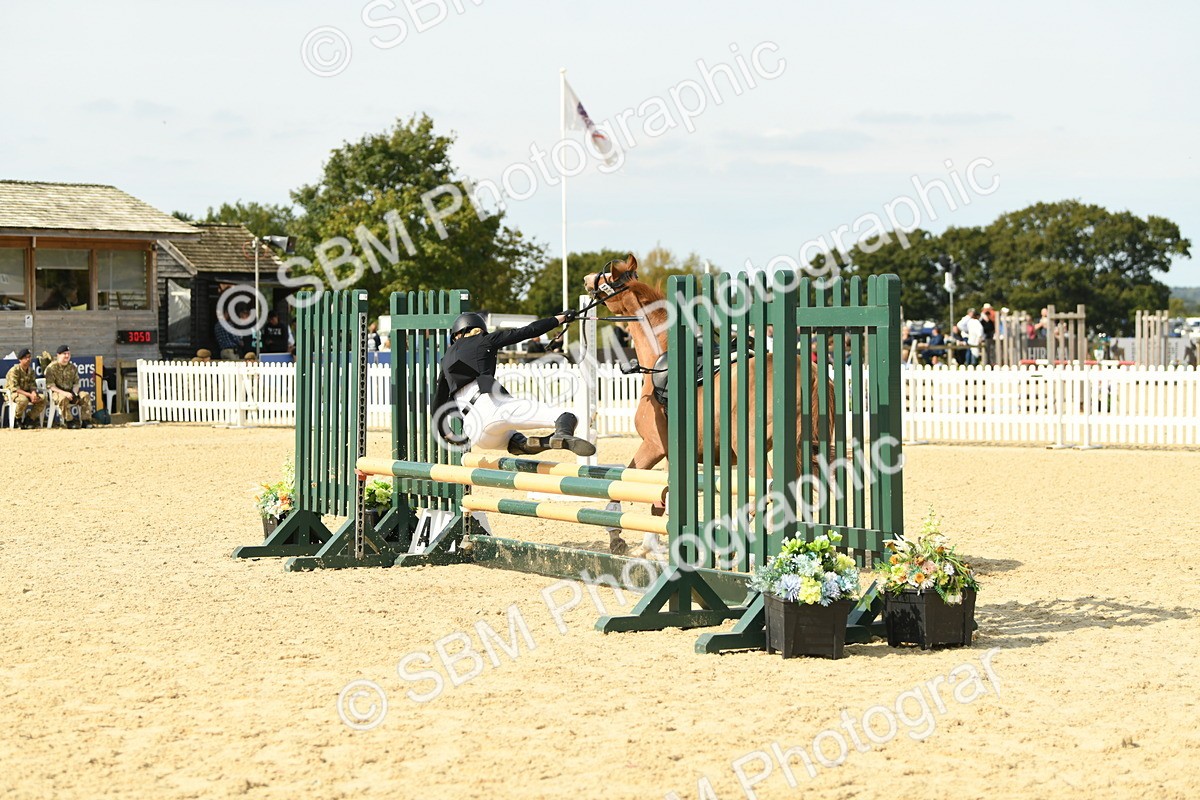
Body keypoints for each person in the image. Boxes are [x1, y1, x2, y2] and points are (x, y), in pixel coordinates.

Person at [429, 311, 595, 456]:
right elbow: (528, 331)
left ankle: (530, 443)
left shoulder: (446, 359)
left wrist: (448, 435)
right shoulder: (485, 340)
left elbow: (437, 403)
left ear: (456, 334)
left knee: (513, 441)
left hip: (474, 431)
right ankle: (562, 435)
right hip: (491, 408)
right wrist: (560, 318)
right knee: (566, 415)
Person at [44, 345, 94, 429]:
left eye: (68, 354)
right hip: (57, 393)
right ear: (58, 355)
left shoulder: (72, 367)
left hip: (71, 392)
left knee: (85, 395)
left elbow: (76, 383)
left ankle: (86, 420)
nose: (67, 356)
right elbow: (50, 386)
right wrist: (65, 393)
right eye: (64, 354)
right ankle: (69, 421)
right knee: (63, 398)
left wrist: (74, 393)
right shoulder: (51, 368)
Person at [4, 348, 46, 428]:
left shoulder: (31, 371)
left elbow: (33, 385)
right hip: (14, 393)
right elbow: (15, 388)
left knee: (42, 399)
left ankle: (29, 419)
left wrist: (33, 393)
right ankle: (17, 419)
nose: (28, 359)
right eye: (25, 358)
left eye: (29, 357)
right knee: (23, 400)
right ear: (20, 360)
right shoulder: (14, 370)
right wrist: (29, 395)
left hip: (27, 393)